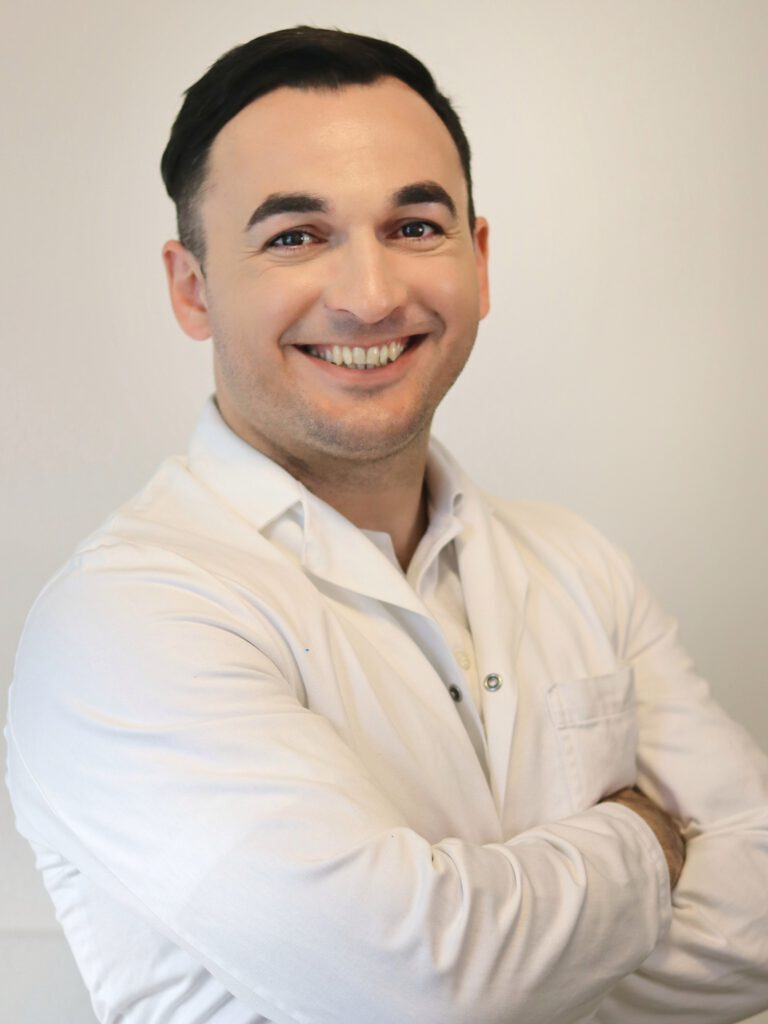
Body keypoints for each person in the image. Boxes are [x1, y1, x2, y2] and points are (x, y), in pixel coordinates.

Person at [5, 25, 768, 1024]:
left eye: (414, 226)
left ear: (479, 261)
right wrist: (650, 839)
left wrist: (505, 951)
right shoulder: (120, 620)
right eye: (294, 236)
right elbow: (421, 991)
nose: (370, 297)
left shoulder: (578, 561)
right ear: (193, 289)